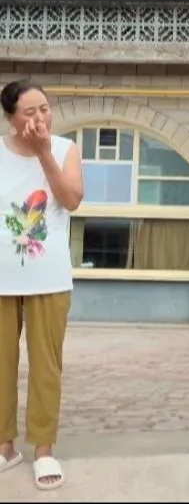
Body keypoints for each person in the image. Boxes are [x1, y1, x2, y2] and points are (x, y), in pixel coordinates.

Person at [0, 80, 83, 491]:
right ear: (10, 118)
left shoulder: (65, 149)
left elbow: (71, 200)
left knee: (46, 366)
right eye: (29, 112)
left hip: (49, 278)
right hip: (1, 279)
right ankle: (4, 446)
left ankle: (44, 449)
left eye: (45, 109)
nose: (40, 118)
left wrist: (45, 152)